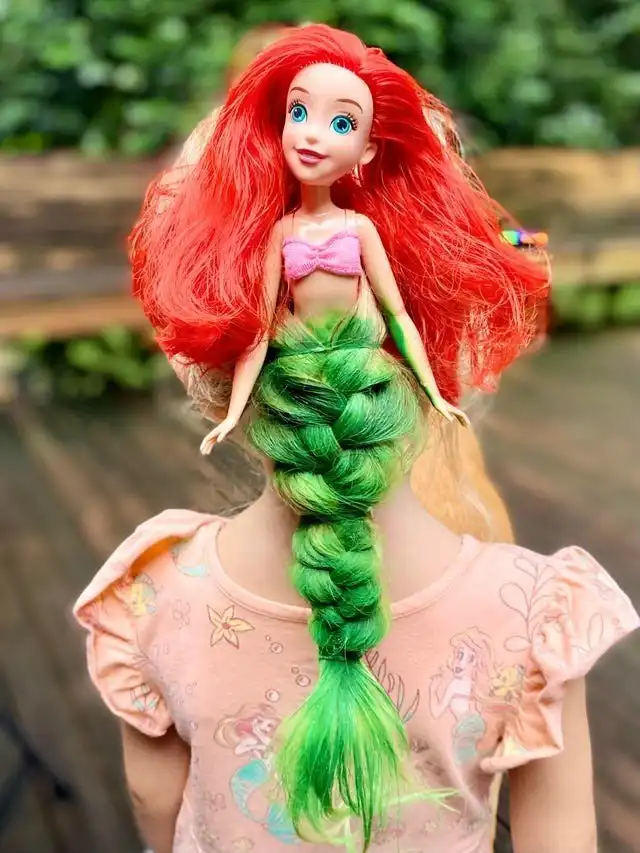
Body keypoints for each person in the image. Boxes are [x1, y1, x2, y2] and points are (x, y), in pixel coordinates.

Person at [74, 25, 636, 853]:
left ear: (211, 367)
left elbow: (154, 800)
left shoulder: (152, 596)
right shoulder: (533, 613)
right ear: (439, 362)